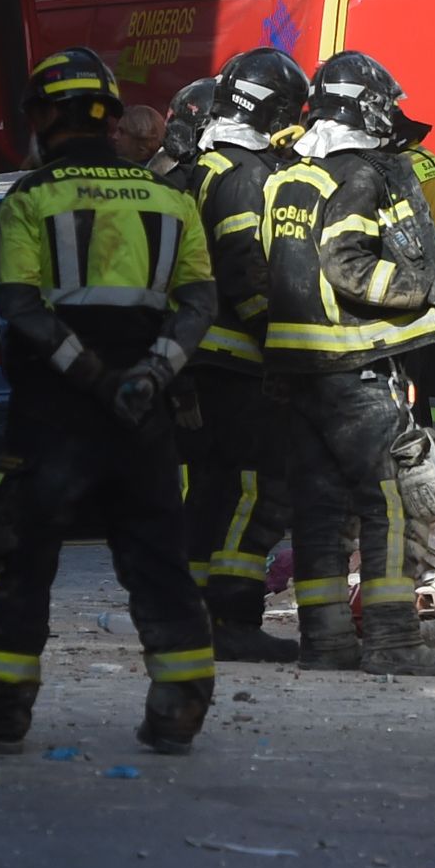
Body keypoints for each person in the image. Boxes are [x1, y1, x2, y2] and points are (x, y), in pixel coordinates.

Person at [0, 47, 220, 756]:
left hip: (51, 419)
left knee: (22, 562)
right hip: (145, 417)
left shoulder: (30, 200)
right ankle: (180, 705)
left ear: (44, 117)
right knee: (160, 558)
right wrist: (152, 374)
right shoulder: (170, 199)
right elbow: (199, 302)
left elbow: (22, 307)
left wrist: (94, 375)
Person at [260, 52, 435, 673]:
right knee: (387, 501)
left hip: (294, 368)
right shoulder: (359, 175)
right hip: (350, 364)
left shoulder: (291, 176)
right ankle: (394, 642)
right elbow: (346, 265)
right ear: (362, 107)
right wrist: (422, 288)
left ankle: (327, 643)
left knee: (318, 508)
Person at [174, 53, 309, 664]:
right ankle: (233, 616)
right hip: (236, 361)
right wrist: (279, 341)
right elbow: (242, 267)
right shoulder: (244, 173)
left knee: (211, 490)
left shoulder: (198, 167)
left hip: (197, 358)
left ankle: (194, 614)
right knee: (256, 489)